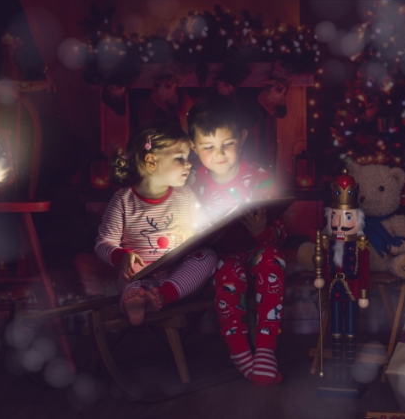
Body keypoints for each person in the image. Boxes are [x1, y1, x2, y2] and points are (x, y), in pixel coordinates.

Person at [187, 95, 287, 386]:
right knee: (229, 272)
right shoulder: (193, 183)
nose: (219, 154)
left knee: (272, 260)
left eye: (227, 144)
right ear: (194, 147)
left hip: (258, 248)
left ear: (242, 138)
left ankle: (266, 350)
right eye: (208, 147)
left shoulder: (261, 177)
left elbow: (281, 234)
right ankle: (240, 351)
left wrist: (261, 230)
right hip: (220, 257)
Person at [95, 121, 217, 326]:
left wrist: (194, 234)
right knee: (131, 280)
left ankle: (163, 295)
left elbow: (205, 230)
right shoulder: (123, 200)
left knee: (208, 257)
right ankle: (135, 302)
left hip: (177, 275)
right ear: (151, 161)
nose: (188, 164)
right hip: (140, 275)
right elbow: (103, 243)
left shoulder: (186, 196)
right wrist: (122, 257)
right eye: (180, 158)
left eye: (188, 158)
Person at [314, 169, 370, 383]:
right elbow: (325, 265)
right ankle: (337, 372)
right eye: (336, 217)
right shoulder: (329, 242)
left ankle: (351, 371)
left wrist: (364, 293)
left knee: (351, 330)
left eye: (347, 217)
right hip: (334, 289)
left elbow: (364, 270)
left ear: (357, 218)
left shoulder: (360, 244)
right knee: (336, 330)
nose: (340, 223)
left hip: (354, 289)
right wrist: (321, 277)